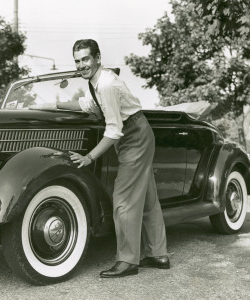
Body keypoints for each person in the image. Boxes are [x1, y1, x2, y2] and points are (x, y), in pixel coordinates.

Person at [57, 39, 169, 278]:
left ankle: (128, 261)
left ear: (98, 57)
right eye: (77, 61)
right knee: (147, 198)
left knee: (123, 200)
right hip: (139, 132)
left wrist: (89, 157)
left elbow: (114, 130)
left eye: (86, 59)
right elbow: (89, 104)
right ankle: (158, 254)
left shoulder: (106, 84)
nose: (81, 65)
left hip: (133, 136)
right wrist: (52, 104)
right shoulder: (97, 82)